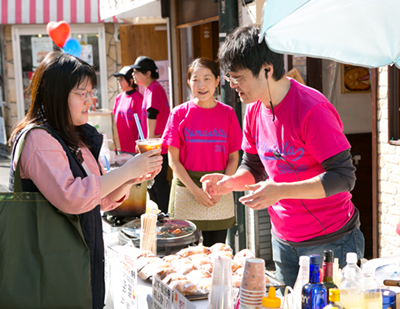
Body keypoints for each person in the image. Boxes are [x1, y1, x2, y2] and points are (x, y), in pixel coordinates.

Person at [201, 25, 365, 288]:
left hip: (331, 241)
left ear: (267, 69)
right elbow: (253, 166)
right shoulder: (254, 111)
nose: (233, 86)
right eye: (230, 78)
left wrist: (280, 191)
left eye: (238, 77)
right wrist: (229, 182)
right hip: (283, 242)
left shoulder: (312, 109)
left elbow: (343, 177)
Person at [8, 51, 162, 309]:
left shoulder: (72, 137)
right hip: (51, 271)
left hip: (74, 263)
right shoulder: (39, 139)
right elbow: (74, 197)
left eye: (91, 93)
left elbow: (98, 198)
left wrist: (131, 177)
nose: (90, 101)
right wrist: (125, 172)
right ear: (56, 94)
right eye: (82, 93)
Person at [162, 58, 243, 246]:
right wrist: (196, 191)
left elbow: (233, 158)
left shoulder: (228, 113)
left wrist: (221, 188)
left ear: (217, 81)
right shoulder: (179, 113)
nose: (201, 85)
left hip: (219, 190)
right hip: (187, 188)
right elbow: (173, 161)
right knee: (185, 256)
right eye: (195, 79)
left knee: (217, 253)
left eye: (207, 79)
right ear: (189, 82)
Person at [131, 56, 171, 213]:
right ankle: (159, 214)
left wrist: (148, 142)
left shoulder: (154, 88)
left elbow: (152, 114)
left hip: (157, 147)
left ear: (147, 73)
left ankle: (165, 215)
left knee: (158, 183)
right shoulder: (148, 89)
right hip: (155, 145)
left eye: (136, 71)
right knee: (153, 182)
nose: (133, 75)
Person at [112, 66, 143, 153]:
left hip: (133, 149)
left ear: (131, 80)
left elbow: (141, 124)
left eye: (121, 79)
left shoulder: (138, 98)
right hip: (119, 148)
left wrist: (140, 144)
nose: (119, 82)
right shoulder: (118, 98)